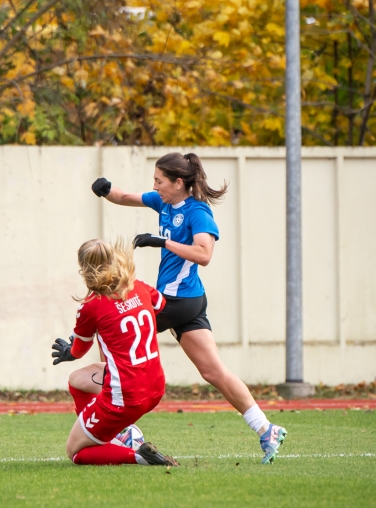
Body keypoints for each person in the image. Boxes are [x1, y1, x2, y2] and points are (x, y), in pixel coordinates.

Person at [84, 152, 287, 464]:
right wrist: (106, 189)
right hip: (189, 300)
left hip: (176, 300)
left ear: (179, 183)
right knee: (212, 371)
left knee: (112, 332)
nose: (155, 186)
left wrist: (162, 243)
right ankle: (265, 429)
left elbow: (204, 254)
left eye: (159, 181)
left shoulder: (198, 213)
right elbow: (125, 196)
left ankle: (124, 428)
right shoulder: (164, 201)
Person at [50, 238, 178, 467]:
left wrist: (69, 352)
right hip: (155, 385)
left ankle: (137, 456)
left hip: (127, 396)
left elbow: (79, 350)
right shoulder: (138, 286)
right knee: (77, 381)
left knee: (75, 452)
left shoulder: (91, 305)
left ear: (85, 270)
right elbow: (160, 305)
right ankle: (110, 431)